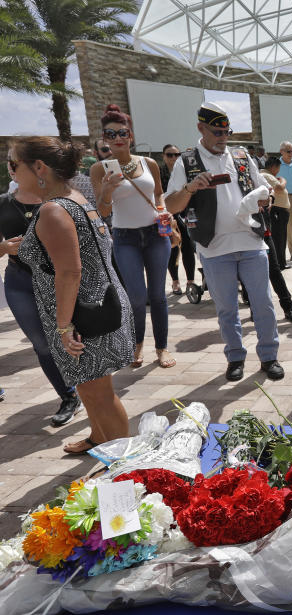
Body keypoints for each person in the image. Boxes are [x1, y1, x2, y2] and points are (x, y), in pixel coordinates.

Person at [11, 136, 133, 454]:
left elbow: (70, 272)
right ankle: (99, 438)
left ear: (38, 167)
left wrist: (64, 326)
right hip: (92, 305)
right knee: (88, 385)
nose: (11, 173)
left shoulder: (54, 210)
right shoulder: (73, 197)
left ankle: (127, 468)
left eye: (13, 165)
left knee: (99, 392)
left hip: (81, 314)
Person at [164, 102, 284, 382]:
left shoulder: (242, 156)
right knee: (227, 308)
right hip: (214, 247)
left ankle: (269, 356)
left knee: (263, 303)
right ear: (201, 129)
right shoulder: (188, 161)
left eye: (226, 132)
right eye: (216, 132)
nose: (223, 138)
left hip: (251, 241)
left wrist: (265, 197)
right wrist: (191, 187)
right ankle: (235, 357)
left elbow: (262, 190)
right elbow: (171, 205)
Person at [90, 105, 175, 369]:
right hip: (125, 238)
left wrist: (163, 211)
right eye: (111, 133)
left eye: (122, 132)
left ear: (131, 135)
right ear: (104, 138)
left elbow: (158, 194)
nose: (117, 138)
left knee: (158, 295)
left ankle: (161, 347)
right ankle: (137, 343)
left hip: (155, 234)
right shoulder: (99, 169)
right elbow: (103, 211)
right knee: (137, 296)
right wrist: (106, 190)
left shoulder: (148, 163)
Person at [1, 154, 81, 426]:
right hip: (19, 281)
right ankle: (69, 396)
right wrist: (5, 248)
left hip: (58, 279)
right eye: (10, 164)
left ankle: (93, 391)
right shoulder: (3, 203)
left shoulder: (59, 201)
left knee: (75, 337)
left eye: (18, 163)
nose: (13, 169)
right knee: (42, 345)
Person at [252, 157, 292, 324]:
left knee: (274, 270)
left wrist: (269, 199)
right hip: (246, 233)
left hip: (264, 230)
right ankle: (255, 309)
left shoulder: (258, 177)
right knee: (251, 275)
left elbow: (274, 191)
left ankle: (288, 307)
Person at [160, 144, 198, 298]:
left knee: (188, 244)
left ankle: (190, 281)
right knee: (172, 246)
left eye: (177, 154)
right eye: (170, 155)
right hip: (166, 214)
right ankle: (175, 281)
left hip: (186, 212)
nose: (174, 158)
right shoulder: (159, 172)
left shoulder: (185, 169)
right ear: (163, 156)